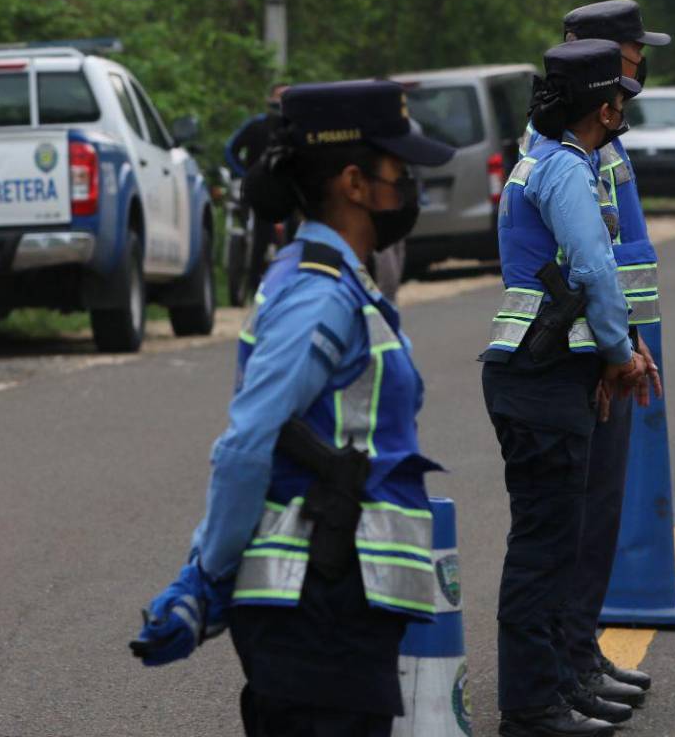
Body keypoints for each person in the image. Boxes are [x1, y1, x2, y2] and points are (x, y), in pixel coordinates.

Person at [130, 80, 456, 737]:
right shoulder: (318, 294)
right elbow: (248, 442)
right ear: (355, 183)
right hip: (319, 601)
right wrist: (207, 575)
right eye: (399, 171)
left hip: (338, 600)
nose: (409, 187)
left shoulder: (338, 282)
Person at [480, 38, 648, 737]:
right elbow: (596, 271)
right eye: (620, 99)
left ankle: (553, 689)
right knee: (545, 550)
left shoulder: (544, 162)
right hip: (543, 377)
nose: (622, 110)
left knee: (552, 542)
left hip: (539, 373)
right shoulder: (565, 172)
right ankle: (531, 707)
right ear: (605, 108)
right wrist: (621, 353)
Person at [517, 0, 665, 718]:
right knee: (572, 515)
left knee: (598, 509)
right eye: (631, 51)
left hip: (613, 340)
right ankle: (564, 664)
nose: (639, 64)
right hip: (586, 348)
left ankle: (579, 649)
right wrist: (618, 346)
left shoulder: (595, 141)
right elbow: (590, 260)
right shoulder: (569, 149)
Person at [225, 84, 293, 298]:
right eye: (278, 96)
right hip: (257, 190)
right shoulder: (256, 126)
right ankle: (254, 284)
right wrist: (244, 173)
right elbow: (231, 150)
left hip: (289, 191)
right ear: (269, 100)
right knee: (259, 234)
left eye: (286, 96)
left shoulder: (296, 128)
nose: (281, 101)